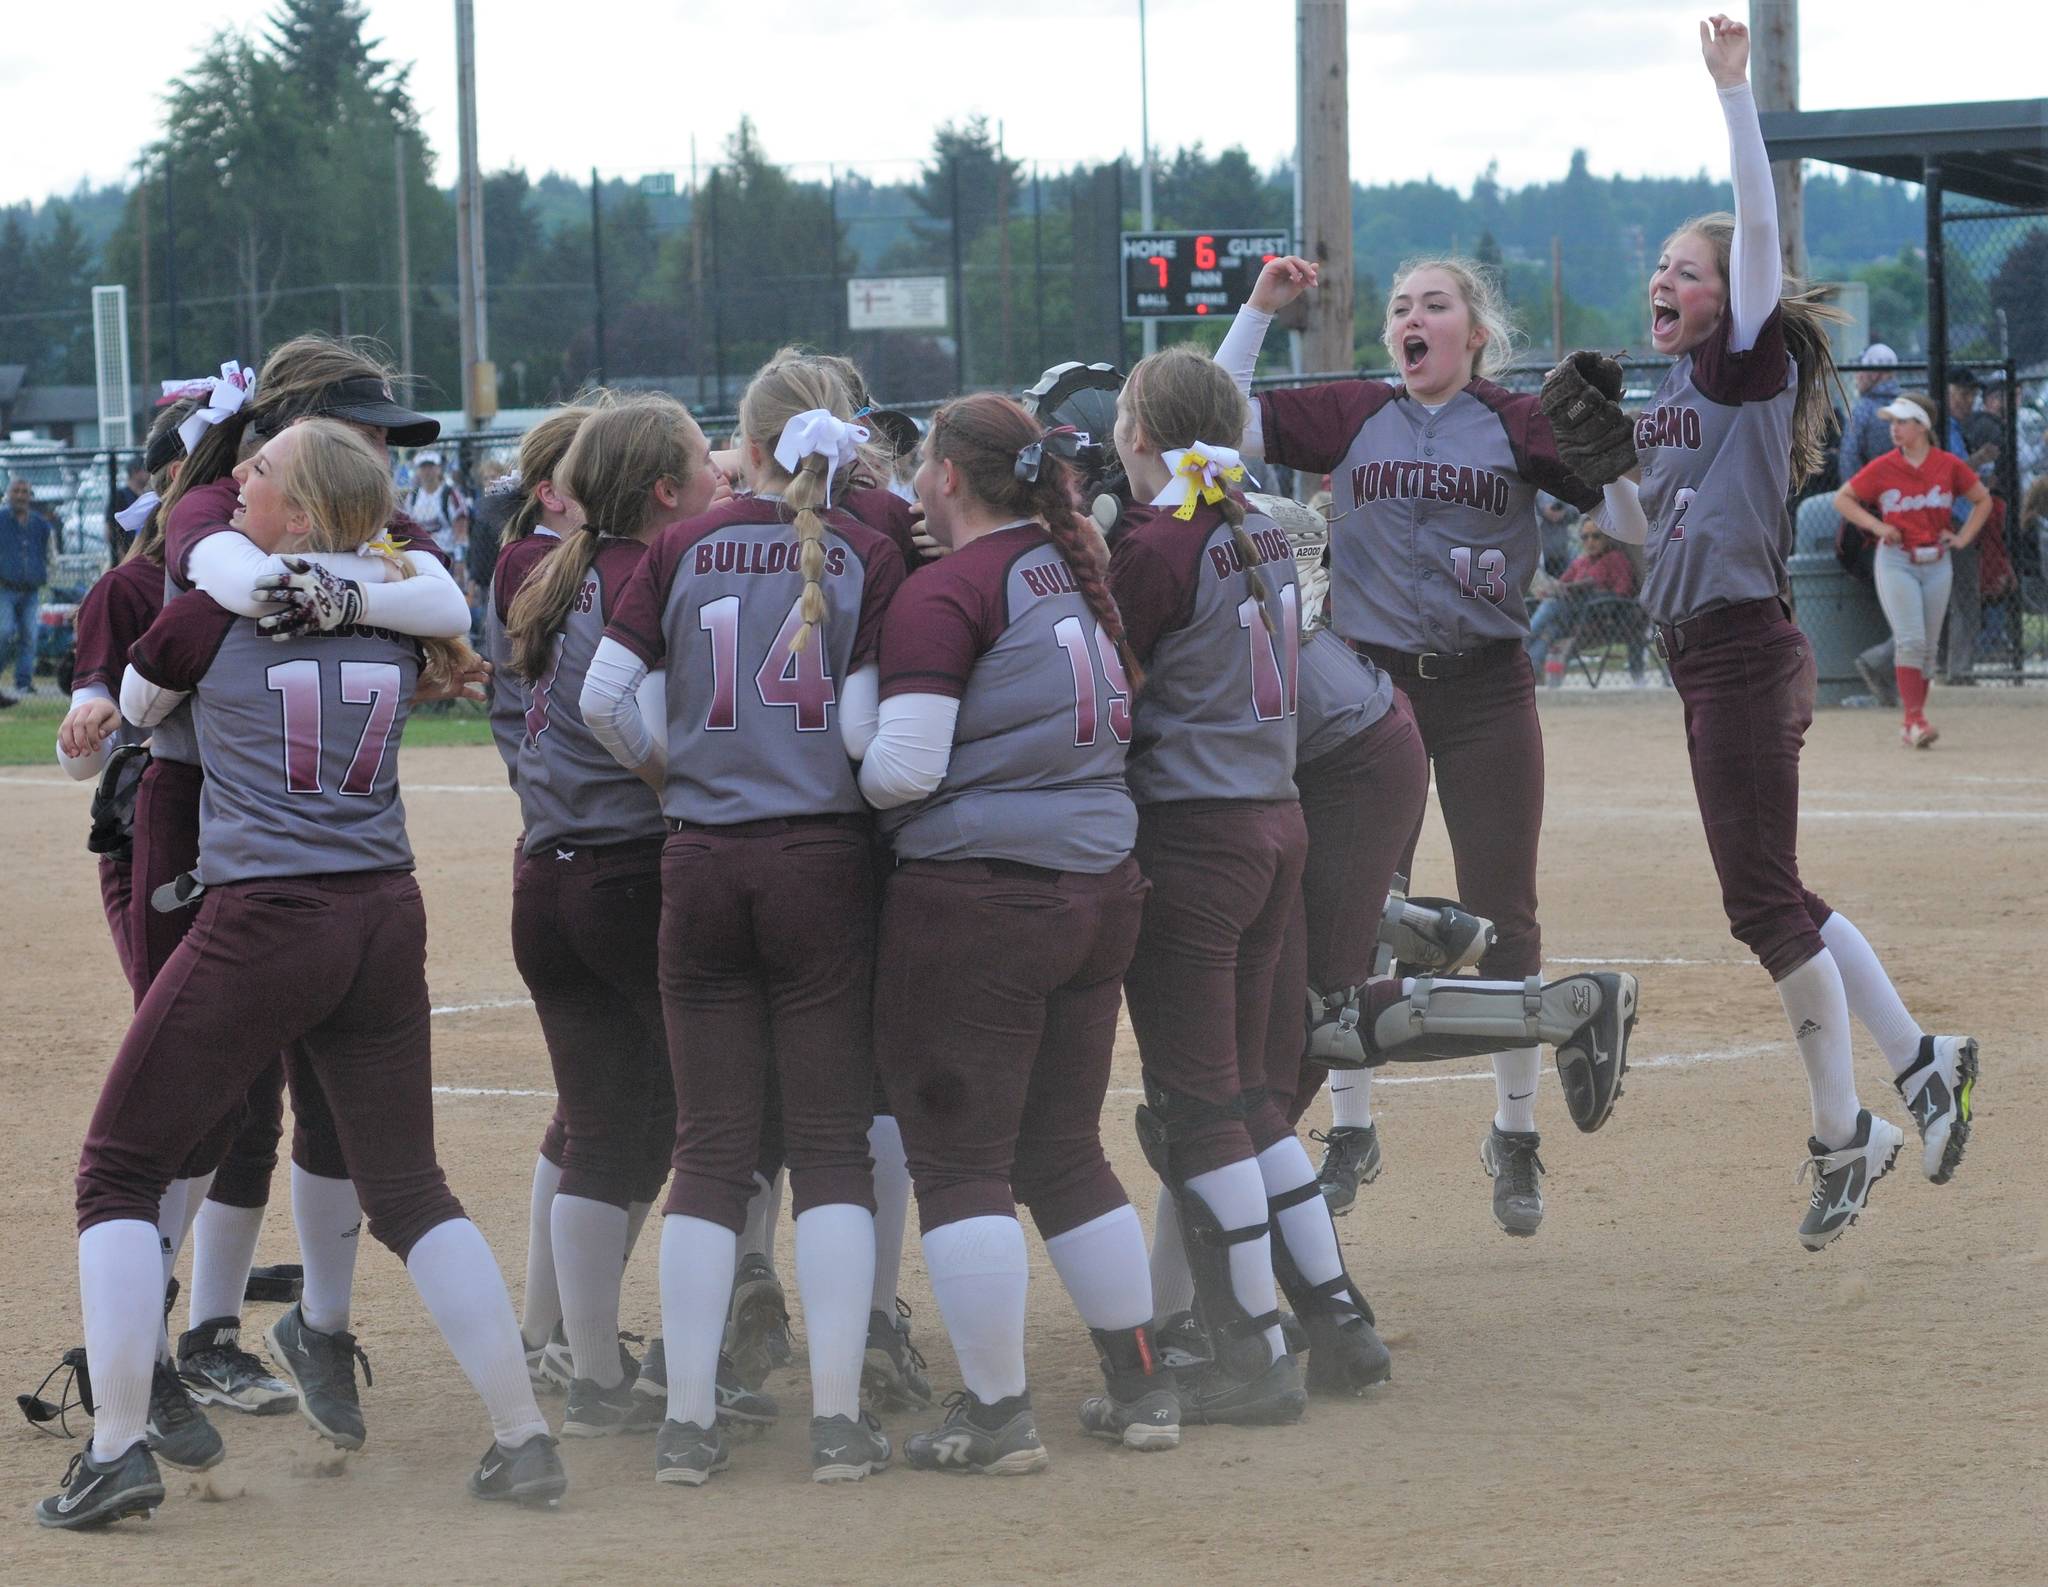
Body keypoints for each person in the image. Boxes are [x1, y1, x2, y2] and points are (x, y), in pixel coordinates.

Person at [41, 421, 561, 1530]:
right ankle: (524, 1438)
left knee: (116, 1172)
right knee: (412, 1190)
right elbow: (423, 607)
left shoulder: (209, 609)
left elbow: (117, 728)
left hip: (268, 912)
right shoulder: (388, 599)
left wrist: (103, 709)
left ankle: (118, 1447)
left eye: (263, 473)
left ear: (307, 509)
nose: (239, 480)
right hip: (382, 907)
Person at [1592, 15, 1978, 1249]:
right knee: (1784, 895)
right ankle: (1922, 1062)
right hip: (1700, 653)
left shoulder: (1741, 366)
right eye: (1659, 266)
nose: (1668, 280)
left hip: (1742, 652)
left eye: (1686, 271)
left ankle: (1842, 1130)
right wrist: (1593, 469)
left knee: (1760, 906)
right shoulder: (1665, 400)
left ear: (1731, 300)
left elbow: (1756, 233)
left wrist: (1733, 97)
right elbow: (1640, 529)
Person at [1216, 249, 1622, 1237]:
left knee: (1502, 911)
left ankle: (1513, 1132)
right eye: (1400, 304)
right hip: (1365, 698)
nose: (1413, 317)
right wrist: (1258, 309)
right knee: (1353, 912)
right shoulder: (1355, 410)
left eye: (1433, 305)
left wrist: (1611, 459)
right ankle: (1349, 1129)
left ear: (1472, 335)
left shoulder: (1516, 420)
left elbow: (1624, 520)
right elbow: (1213, 420)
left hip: (1484, 687)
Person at [581, 358, 907, 1486]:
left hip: (701, 862)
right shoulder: (866, 551)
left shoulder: (677, 546)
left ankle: (683, 1424)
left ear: (749, 446)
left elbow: (598, 699)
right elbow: (868, 743)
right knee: (827, 1150)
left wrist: (676, 778)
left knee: (709, 1154)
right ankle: (834, 1419)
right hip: (819, 860)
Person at [147, 339, 472, 1451]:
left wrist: (343, 583)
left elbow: (445, 597)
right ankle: (150, 1353)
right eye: (366, 433)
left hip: (308, 845)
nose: (383, 456)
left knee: (328, 1104)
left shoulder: (365, 521)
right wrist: (346, 590)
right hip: (195, 819)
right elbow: (235, 579)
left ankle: (292, 1331)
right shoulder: (213, 504)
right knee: (201, 1099)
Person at [857, 393, 1175, 1470]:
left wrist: (832, 756)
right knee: (1061, 1150)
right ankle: (1141, 1389)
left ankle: (996, 1416)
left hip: (986, 896)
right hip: (1097, 884)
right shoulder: (1060, 560)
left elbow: (902, 764)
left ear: (944, 474)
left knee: (958, 1164)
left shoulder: (950, 587)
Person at [1103, 344, 1316, 1426]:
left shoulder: (1158, 535)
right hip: (1273, 816)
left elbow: (1105, 683)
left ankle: (1254, 1349)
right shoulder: (1255, 518)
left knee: (1199, 1104)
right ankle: (1329, 1315)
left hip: (1195, 829)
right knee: (1245, 1094)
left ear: (1138, 432)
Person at [498, 397, 686, 1435]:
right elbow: (633, 717)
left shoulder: (558, 568)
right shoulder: (645, 572)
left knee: (600, 1132)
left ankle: (588, 1364)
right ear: (657, 485)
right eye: (698, 461)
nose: (714, 475)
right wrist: (673, 786)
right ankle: (687, 1345)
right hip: (627, 873)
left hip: (548, 875)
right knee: (704, 1120)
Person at [1832, 391, 1990, 746]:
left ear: (1922, 426)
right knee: (1911, 640)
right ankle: (1915, 719)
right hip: (1897, 560)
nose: (1895, 428)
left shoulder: (1947, 465)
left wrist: (1963, 538)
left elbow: (1982, 499)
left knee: (1929, 649)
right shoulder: (1885, 465)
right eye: (1893, 422)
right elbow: (1843, 498)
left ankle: (1911, 724)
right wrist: (1877, 527)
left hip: (1937, 561)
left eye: (1903, 421)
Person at [1524, 521, 1641, 684]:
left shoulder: (1616, 559)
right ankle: (1532, 673)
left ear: (1608, 538)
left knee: (1552, 610)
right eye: (1585, 537)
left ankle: (1522, 642)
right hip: (1570, 618)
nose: (1590, 541)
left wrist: (1593, 591)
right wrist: (1552, 590)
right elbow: (1562, 585)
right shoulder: (1581, 562)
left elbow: (1624, 592)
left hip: (1600, 620)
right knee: (1551, 623)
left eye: (1596, 536)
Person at [1, 475, 57, 704]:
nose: (21, 496)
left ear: (30, 496)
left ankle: (23, 682)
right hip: (4, 587)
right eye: (16, 491)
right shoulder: (1, 520)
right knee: (4, 632)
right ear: (8, 495)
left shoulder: (40, 524)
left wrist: (50, 577)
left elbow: (51, 554)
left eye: (25, 492)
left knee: (30, 636)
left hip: (32, 589)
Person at [404, 450, 471, 572]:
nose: (427, 471)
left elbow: (461, 529)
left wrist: (460, 560)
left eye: (431, 466)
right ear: (418, 470)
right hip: (420, 558)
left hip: (446, 556)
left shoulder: (450, 495)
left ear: (439, 468)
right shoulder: (413, 497)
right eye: (423, 467)